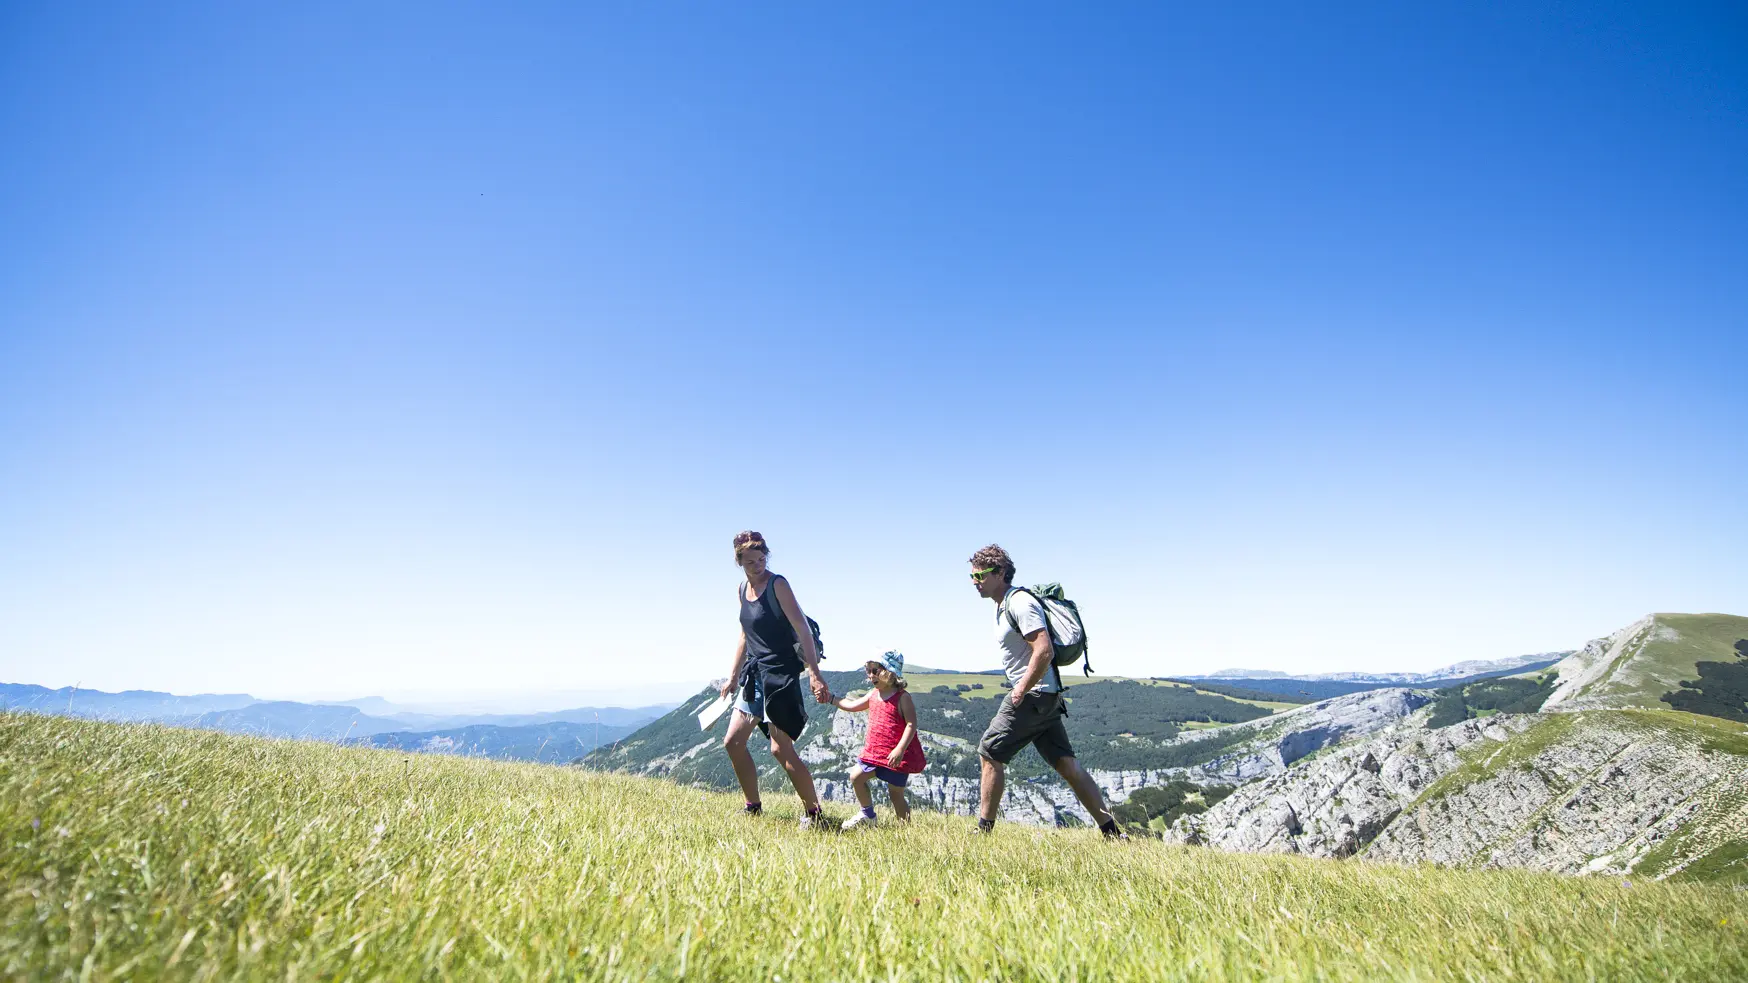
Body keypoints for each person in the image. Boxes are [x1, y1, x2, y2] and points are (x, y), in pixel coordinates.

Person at [967, 543, 1122, 837]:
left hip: (1032, 696)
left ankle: (982, 832)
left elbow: (1043, 649)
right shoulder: (1004, 605)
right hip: (1046, 698)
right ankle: (1112, 833)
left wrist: (1020, 689)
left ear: (1000, 573)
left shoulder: (1019, 603)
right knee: (1067, 765)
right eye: (972, 577)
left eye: (981, 575)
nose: (975, 583)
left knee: (989, 752)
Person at [720, 530, 833, 829]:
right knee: (732, 741)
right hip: (754, 674)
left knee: (779, 748)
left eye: (761, 559)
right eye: (750, 561)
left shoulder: (778, 584)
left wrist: (814, 673)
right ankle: (752, 806)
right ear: (739, 561)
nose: (757, 565)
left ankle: (815, 815)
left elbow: (802, 630)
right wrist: (732, 677)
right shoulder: (742, 589)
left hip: (780, 674)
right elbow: (745, 635)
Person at [831, 650, 926, 830]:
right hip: (875, 752)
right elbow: (852, 706)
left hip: (894, 755)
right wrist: (832, 699)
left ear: (889, 672)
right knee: (856, 776)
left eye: (875, 671)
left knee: (895, 794)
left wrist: (899, 749)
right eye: (868, 671)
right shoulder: (873, 694)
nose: (871, 675)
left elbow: (911, 724)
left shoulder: (903, 698)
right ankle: (868, 814)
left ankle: (906, 830)